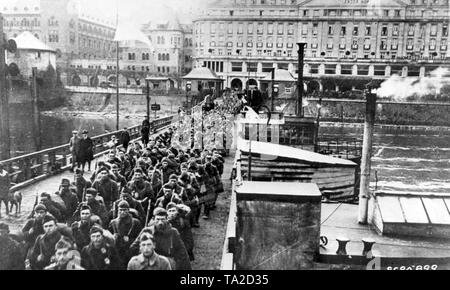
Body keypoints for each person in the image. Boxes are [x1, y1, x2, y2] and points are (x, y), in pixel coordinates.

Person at [108, 201, 142, 267]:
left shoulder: (135, 222)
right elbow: (108, 238)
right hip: (117, 252)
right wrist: (113, 237)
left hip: (130, 251)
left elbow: (140, 238)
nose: (122, 212)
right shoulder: (113, 222)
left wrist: (130, 240)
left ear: (128, 210)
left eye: (124, 210)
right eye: (120, 210)